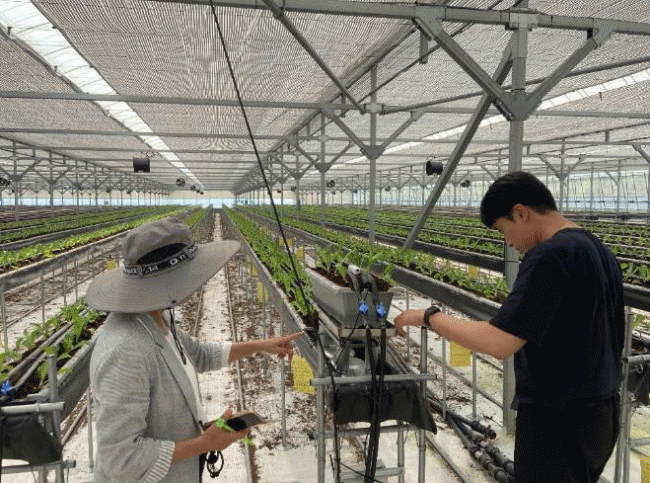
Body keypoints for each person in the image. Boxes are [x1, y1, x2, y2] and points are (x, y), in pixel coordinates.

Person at [394, 171, 624, 483]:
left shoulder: (549, 256)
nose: (509, 243)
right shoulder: (598, 250)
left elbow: (498, 342)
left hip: (558, 423)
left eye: (504, 230)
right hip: (601, 417)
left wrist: (429, 317)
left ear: (520, 213)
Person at [86, 218, 303, 483]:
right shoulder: (126, 350)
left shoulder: (155, 316)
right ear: (166, 280)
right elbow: (122, 459)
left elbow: (198, 354)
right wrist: (205, 443)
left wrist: (263, 346)